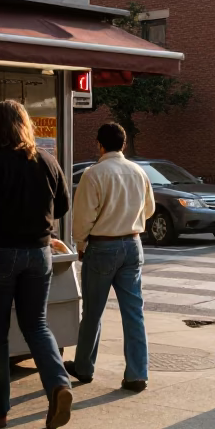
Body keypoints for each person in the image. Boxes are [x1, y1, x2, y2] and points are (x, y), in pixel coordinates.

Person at [0, 100, 74, 429]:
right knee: (36, 324)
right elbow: (63, 205)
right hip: (39, 254)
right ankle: (58, 383)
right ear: (25, 126)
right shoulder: (48, 161)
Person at [68, 122, 155, 392]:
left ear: (99, 144)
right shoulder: (139, 171)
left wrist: (81, 242)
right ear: (124, 144)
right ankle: (137, 374)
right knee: (133, 313)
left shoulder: (93, 174)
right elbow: (149, 209)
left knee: (93, 310)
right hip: (133, 243)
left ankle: (84, 366)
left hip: (102, 246)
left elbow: (83, 217)